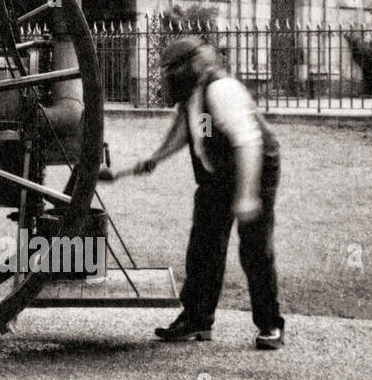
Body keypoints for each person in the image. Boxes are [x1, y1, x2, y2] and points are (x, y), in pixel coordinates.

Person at [105, 36, 285, 349]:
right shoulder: (194, 95)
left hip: (253, 168)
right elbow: (189, 132)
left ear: (189, 65)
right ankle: (196, 321)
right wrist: (152, 160)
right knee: (204, 247)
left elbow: (248, 143)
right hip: (216, 175)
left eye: (171, 69)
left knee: (254, 249)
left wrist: (245, 197)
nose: (166, 76)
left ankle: (270, 325)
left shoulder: (221, 90)